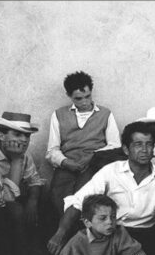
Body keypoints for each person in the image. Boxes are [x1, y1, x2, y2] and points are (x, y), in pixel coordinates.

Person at [47, 121, 155, 255]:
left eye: (149, 145)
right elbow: (78, 201)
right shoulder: (111, 171)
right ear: (126, 149)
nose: (144, 150)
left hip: (149, 235)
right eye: (138, 145)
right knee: (89, 225)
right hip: (117, 236)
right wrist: (60, 234)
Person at [46, 71, 121, 216]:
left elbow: (115, 145)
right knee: (58, 198)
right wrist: (66, 162)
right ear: (69, 96)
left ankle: (84, 234)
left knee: (86, 200)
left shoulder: (105, 114)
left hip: (94, 164)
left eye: (88, 96)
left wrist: (94, 156)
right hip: (67, 164)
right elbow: (52, 150)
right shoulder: (58, 115)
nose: (85, 102)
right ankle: (64, 234)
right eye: (78, 99)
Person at [0, 112, 45, 255]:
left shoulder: (25, 155)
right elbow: (4, 197)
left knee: (43, 205)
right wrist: (15, 159)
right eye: (18, 134)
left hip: (12, 200)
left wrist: (33, 202)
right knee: (14, 212)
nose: (24, 140)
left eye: (27, 135)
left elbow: (34, 180)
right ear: (1, 135)